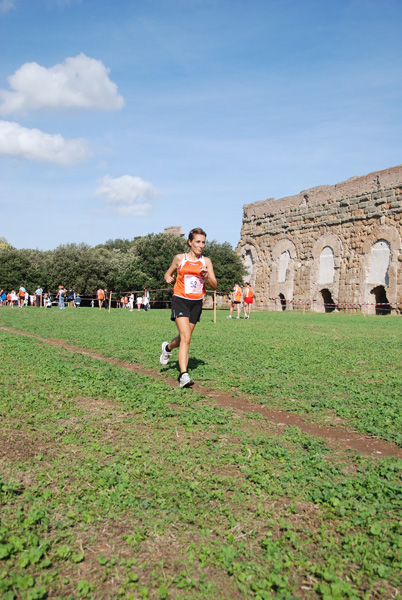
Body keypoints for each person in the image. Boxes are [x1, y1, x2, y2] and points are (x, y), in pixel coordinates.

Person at [160, 227, 217, 388]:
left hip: (196, 303)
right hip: (180, 300)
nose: (201, 245)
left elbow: (214, 285)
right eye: (198, 242)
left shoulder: (206, 262)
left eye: (203, 242)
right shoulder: (180, 259)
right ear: (190, 242)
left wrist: (206, 276)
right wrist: (168, 278)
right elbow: (167, 273)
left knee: (184, 338)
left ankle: (167, 347)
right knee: (186, 338)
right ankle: (183, 375)